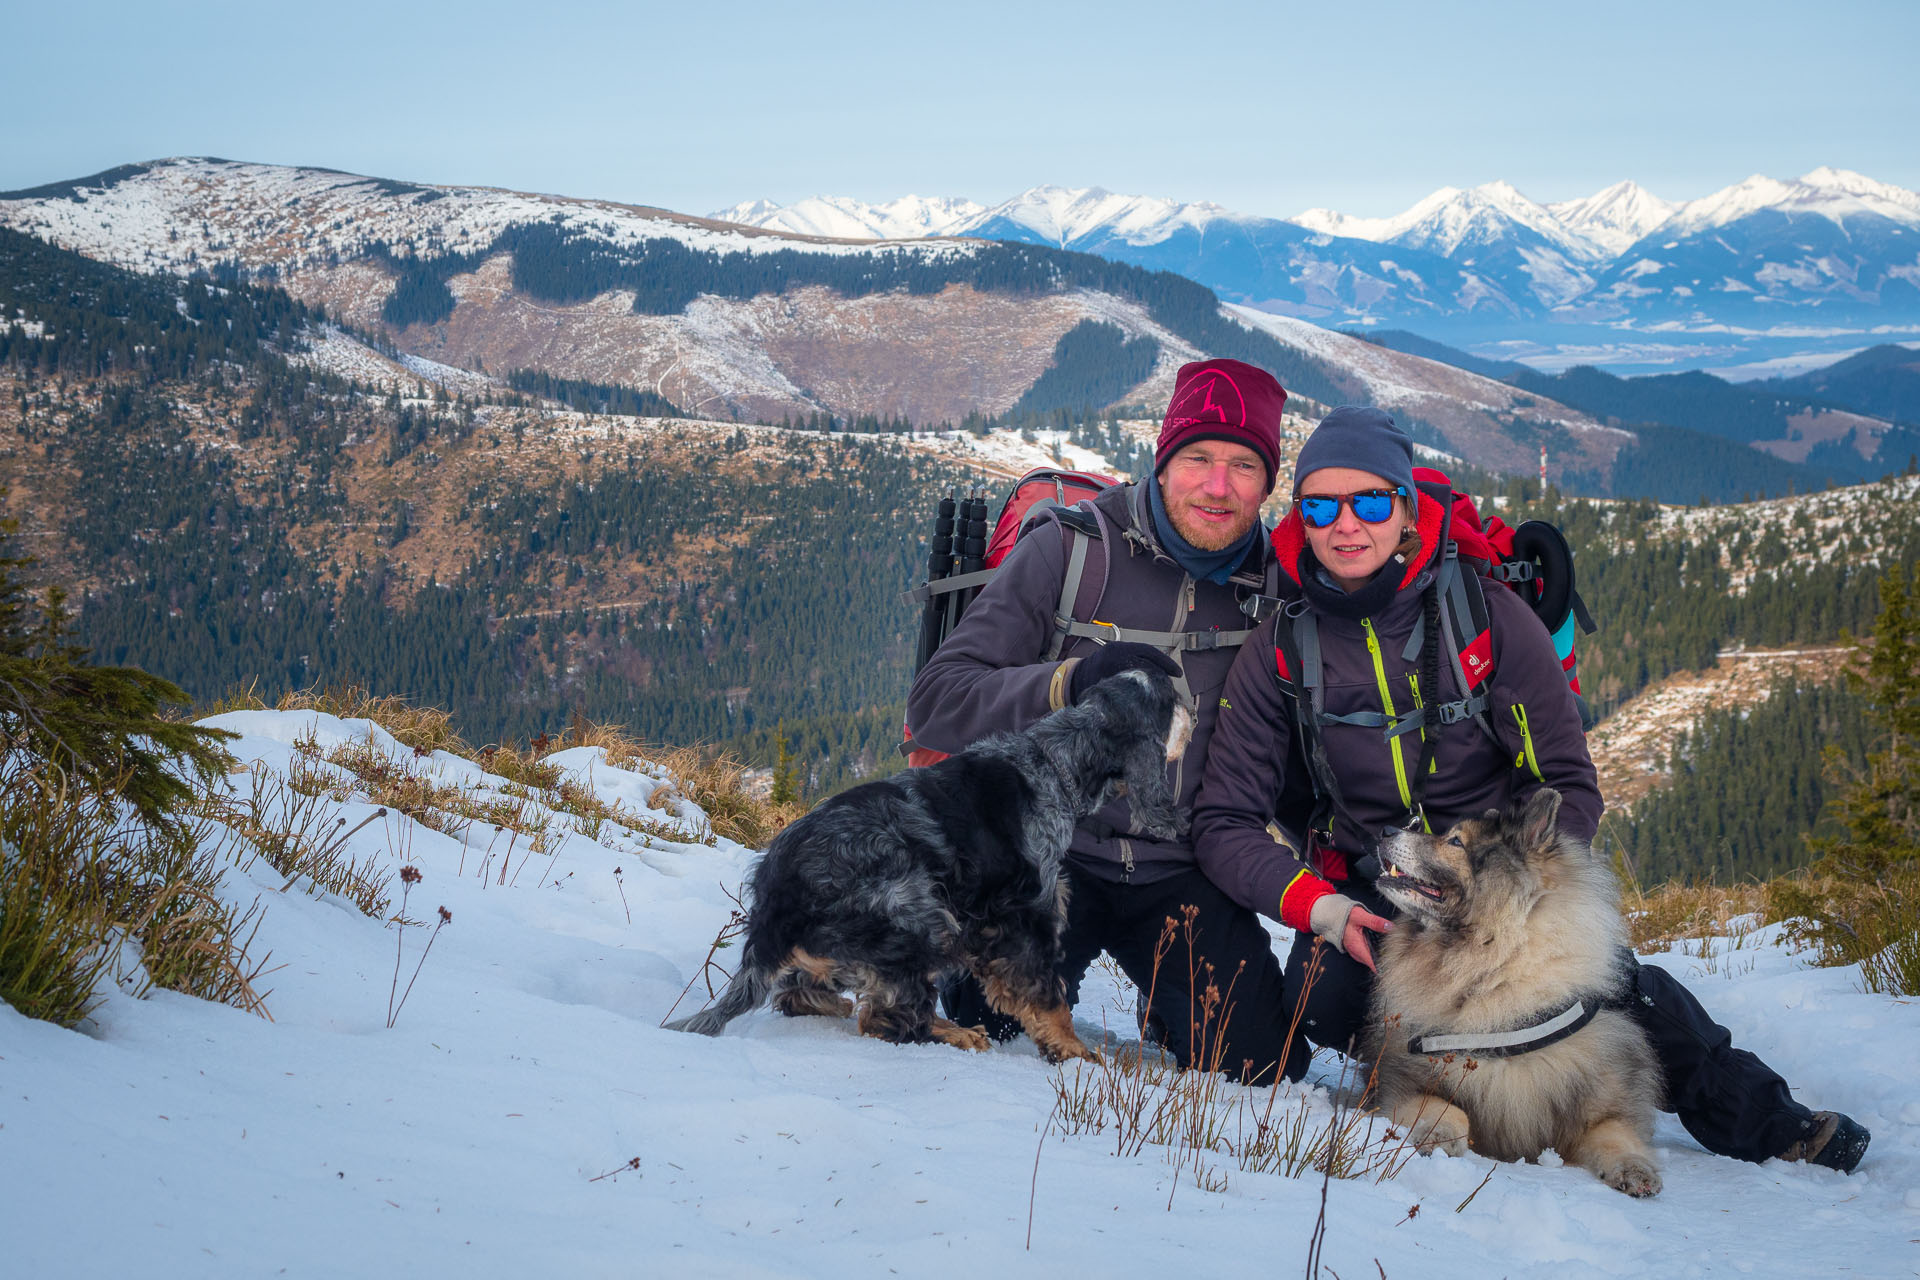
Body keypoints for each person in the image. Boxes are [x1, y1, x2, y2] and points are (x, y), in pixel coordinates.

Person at [1189, 404, 1871, 1172]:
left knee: (1607, 995)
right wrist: (1323, 906)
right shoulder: (1283, 641)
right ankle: (1459, 1084)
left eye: (1370, 502)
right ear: (1301, 519)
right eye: (1321, 506)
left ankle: (1767, 1120)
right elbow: (1224, 820)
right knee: (1326, 1001)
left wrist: (1522, 885)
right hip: (1381, 881)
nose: (1346, 525)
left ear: (1405, 510)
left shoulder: (1485, 616)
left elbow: (1567, 777)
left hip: (1505, 870)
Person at [904, 357, 1299, 1081]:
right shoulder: (1070, 550)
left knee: (1260, 1069)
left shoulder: (1278, 590)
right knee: (975, 1034)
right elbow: (937, 700)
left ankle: (1168, 1000)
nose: (1218, 486)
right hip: (1047, 859)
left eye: (1244, 466)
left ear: (1269, 483)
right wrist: (1070, 680)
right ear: (1162, 459)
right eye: (1199, 459)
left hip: (1185, 870)